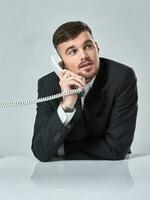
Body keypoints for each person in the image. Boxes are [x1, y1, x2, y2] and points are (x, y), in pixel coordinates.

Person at [32, 21, 138, 161]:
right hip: (65, 176)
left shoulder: (122, 77)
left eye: (88, 46)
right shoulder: (48, 85)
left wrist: (63, 149)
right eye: (73, 51)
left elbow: (116, 149)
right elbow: (41, 151)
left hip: (113, 171)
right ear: (61, 63)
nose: (84, 56)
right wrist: (67, 104)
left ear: (97, 47)